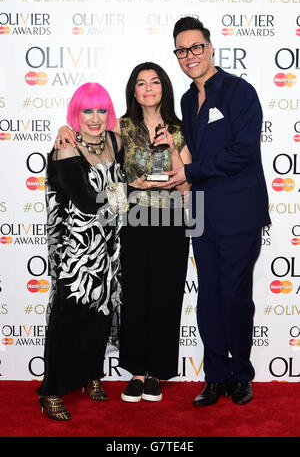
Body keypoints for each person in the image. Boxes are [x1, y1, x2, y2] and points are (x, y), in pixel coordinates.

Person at [54, 62, 192, 403]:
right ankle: (137, 373)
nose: (148, 88)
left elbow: (187, 185)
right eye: (141, 83)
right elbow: (96, 148)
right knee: (133, 298)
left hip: (170, 222)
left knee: (166, 297)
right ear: (133, 90)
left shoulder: (179, 128)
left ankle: (157, 372)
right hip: (130, 222)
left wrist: (172, 150)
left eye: (155, 82)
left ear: (164, 88)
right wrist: (64, 128)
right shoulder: (121, 128)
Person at [157, 16, 271, 406]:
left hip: (238, 212)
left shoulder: (240, 92)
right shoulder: (188, 100)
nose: (189, 56)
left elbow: (243, 152)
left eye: (196, 47)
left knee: (236, 296)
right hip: (201, 211)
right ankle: (215, 376)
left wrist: (190, 171)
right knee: (208, 297)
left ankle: (241, 373)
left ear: (209, 47)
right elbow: (181, 147)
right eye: (181, 50)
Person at [37, 82, 124, 420]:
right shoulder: (65, 148)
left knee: (100, 316)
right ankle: (51, 390)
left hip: (108, 249)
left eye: (101, 110)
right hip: (76, 255)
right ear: (76, 113)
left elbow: (118, 203)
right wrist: (127, 190)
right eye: (87, 110)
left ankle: (91, 374)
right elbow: (87, 202)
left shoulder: (114, 141)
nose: (95, 117)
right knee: (68, 320)